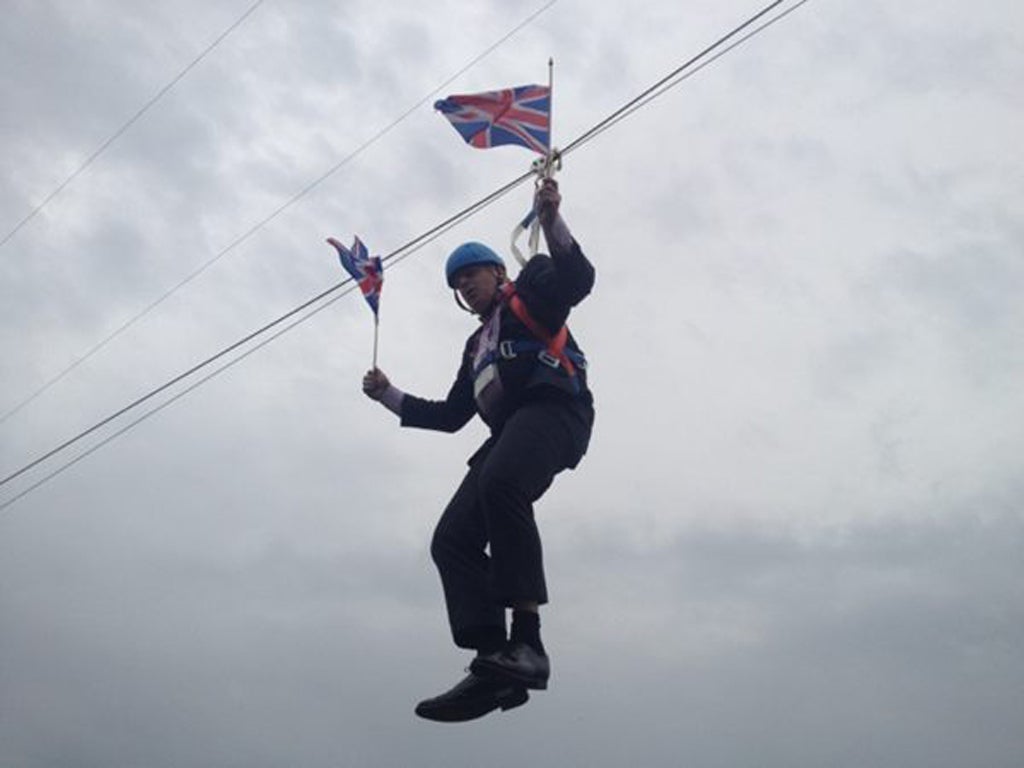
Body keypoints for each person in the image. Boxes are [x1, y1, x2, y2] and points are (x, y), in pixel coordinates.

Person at [362, 178, 595, 723]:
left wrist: (553, 220)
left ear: (498, 272)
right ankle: (493, 656)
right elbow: (449, 417)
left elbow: (577, 279)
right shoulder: (477, 346)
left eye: (472, 273)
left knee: (501, 485)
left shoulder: (531, 287)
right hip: (510, 432)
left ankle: (528, 644)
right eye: (457, 282)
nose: (465, 284)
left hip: (556, 412)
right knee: (452, 539)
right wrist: (387, 394)